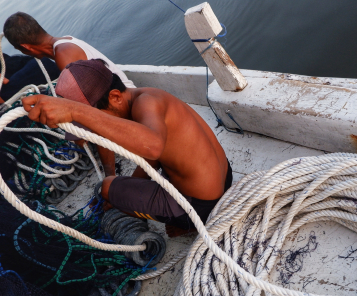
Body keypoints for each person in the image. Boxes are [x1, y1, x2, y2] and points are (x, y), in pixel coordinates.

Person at [22, 59, 232, 237]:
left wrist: (76, 111)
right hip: (225, 178)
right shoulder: (149, 96)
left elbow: (153, 147)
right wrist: (132, 186)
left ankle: (185, 224)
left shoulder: (145, 105)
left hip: (201, 207)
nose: (95, 133)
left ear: (115, 97)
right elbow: (155, 156)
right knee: (124, 184)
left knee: (107, 187)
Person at [3, 12, 134, 88]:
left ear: (26, 46)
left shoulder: (63, 55)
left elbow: (93, 98)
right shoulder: (66, 41)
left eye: (19, 49)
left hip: (123, 102)